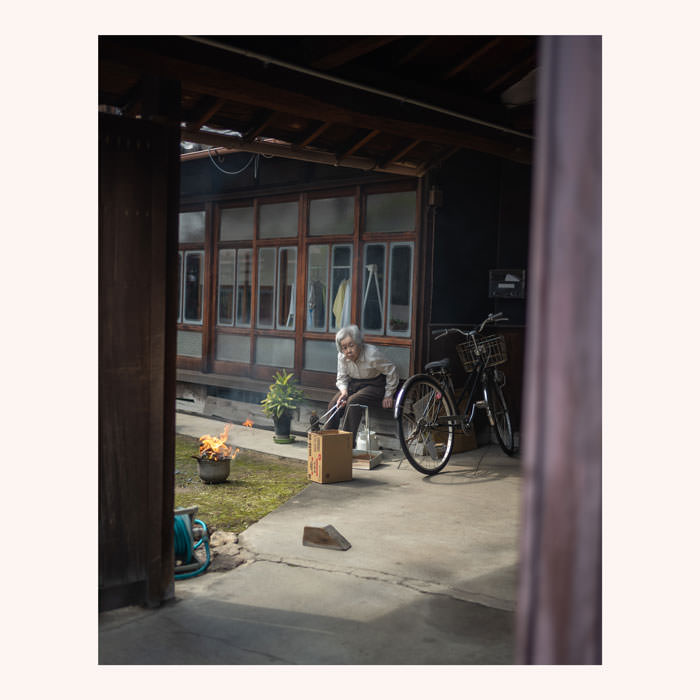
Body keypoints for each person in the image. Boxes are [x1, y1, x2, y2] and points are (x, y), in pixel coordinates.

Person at [325, 325, 399, 445]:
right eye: (344, 347)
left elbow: (391, 370)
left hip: (374, 385)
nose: (348, 350)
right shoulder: (342, 356)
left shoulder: (372, 354)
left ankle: (346, 444)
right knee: (334, 403)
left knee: (353, 401)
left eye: (351, 345)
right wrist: (344, 392)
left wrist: (388, 395)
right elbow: (342, 377)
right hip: (354, 385)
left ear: (358, 343)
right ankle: (328, 441)